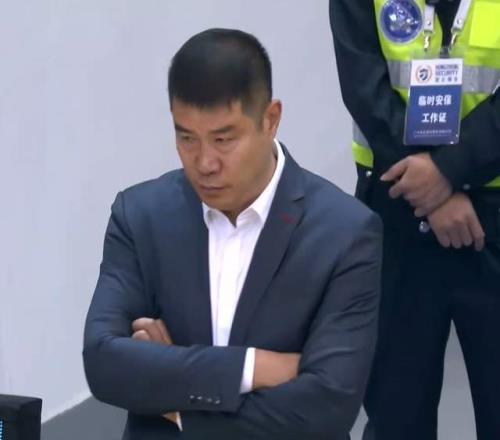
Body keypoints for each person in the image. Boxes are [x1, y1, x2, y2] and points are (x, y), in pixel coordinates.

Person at [83, 28, 383, 440]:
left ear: (270, 119)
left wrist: (175, 398)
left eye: (223, 139)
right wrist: (254, 367)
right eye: (186, 138)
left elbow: (326, 406)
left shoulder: (344, 232)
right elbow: (103, 363)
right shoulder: (139, 216)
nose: (205, 163)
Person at [329, 1, 500, 439]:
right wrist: (429, 184)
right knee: (397, 416)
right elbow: (363, 84)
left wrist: (449, 170)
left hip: (494, 209)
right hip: (397, 208)